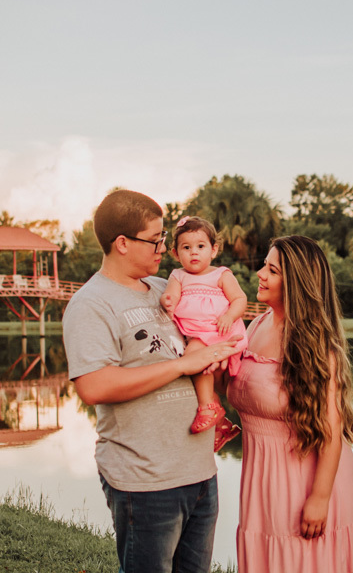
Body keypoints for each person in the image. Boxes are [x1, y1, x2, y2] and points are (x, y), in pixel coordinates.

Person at [62, 189, 241, 573]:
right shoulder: (91, 304)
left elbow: (211, 345)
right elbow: (93, 386)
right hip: (145, 483)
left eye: (164, 238)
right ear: (122, 243)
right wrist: (182, 366)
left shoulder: (165, 290)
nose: (165, 247)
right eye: (156, 239)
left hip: (200, 474)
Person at [224, 235, 353, 572]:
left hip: (309, 479)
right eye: (265, 266)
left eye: (271, 270)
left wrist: (319, 499)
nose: (260, 273)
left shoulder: (312, 343)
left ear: (296, 284)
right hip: (261, 476)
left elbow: (331, 430)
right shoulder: (256, 324)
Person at [160, 216, 249, 436]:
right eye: (186, 247)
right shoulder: (178, 276)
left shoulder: (221, 274)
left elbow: (240, 299)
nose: (194, 252)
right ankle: (220, 425)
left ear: (214, 250)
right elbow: (171, 294)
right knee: (197, 362)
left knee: (192, 358)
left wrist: (229, 315)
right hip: (197, 333)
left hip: (221, 331)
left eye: (201, 246)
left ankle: (208, 408)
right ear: (175, 253)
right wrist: (167, 301)